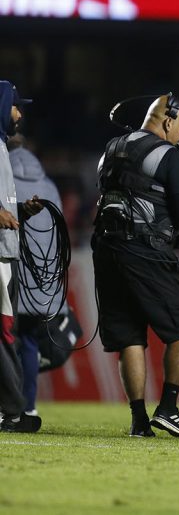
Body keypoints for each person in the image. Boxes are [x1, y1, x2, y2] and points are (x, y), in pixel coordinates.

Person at [92, 93, 179, 438]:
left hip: (106, 248)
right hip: (144, 249)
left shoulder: (112, 146)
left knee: (129, 335)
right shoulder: (169, 155)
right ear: (168, 122)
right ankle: (168, 408)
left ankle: (139, 421)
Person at [9, 135, 63, 421]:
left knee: (7, 340)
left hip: (12, 273)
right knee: (28, 341)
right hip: (40, 279)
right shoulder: (48, 185)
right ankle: (28, 405)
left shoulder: (5, 179)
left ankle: (9, 408)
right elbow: (59, 236)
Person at [0, 82, 44, 433]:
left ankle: (11, 410)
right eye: (16, 106)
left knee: (7, 334)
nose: (20, 113)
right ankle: (11, 410)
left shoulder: (2, 146)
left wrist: (20, 211)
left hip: (5, 255)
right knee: (3, 335)